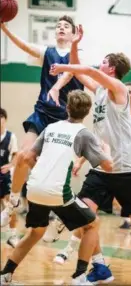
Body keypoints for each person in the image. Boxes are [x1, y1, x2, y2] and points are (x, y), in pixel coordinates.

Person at [48, 25, 131, 283]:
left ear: (111, 68)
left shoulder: (118, 89)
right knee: (85, 216)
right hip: (101, 168)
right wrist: (75, 44)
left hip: (123, 170)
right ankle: (95, 268)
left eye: (103, 61)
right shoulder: (100, 90)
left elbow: (84, 70)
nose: (99, 64)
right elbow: (82, 68)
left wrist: (63, 68)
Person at [0, 90, 113, 286]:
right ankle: (79, 276)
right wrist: (106, 149)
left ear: (66, 108)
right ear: (87, 112)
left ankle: (5, 275)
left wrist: (41, 175)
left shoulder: (51, 127)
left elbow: (26, 158)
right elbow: (108, 167)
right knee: (92, 224)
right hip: (57, 192)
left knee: (35, 232)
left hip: (34, 188)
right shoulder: (84, 134)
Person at [0, 16, 84, 229]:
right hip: (42, 111)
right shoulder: (47, 52)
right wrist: (4, 28)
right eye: (58, 26)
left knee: (55, 171)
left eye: (66, 26)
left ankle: (64, 213)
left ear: (74, 33)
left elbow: (73, 71)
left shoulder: (77, 55)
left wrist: (58, 85)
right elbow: (24, 46)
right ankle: (12, 202)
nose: (61, 28)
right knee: (22, 155)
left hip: (66, 118)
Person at [0, 108, 19, 248]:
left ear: (5, 119)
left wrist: (10, 165)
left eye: (1, 117)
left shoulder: (10, 137)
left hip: (4, 175)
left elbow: (16, 155)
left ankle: (12, 235)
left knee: (10, 205)